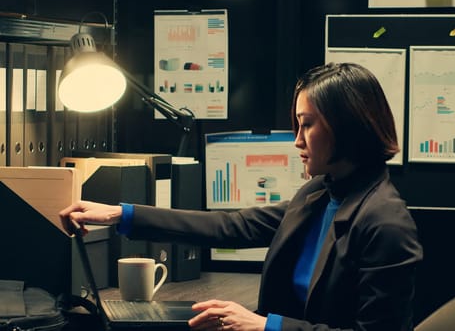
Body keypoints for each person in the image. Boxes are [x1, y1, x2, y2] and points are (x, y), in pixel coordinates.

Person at [60, 62, 423, 331]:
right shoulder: (319, 193)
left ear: (346, 127)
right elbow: (232, 226)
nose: (297, 140)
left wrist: (267, 326)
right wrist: (119, 215)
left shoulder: (385, 224)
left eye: (307, 124)